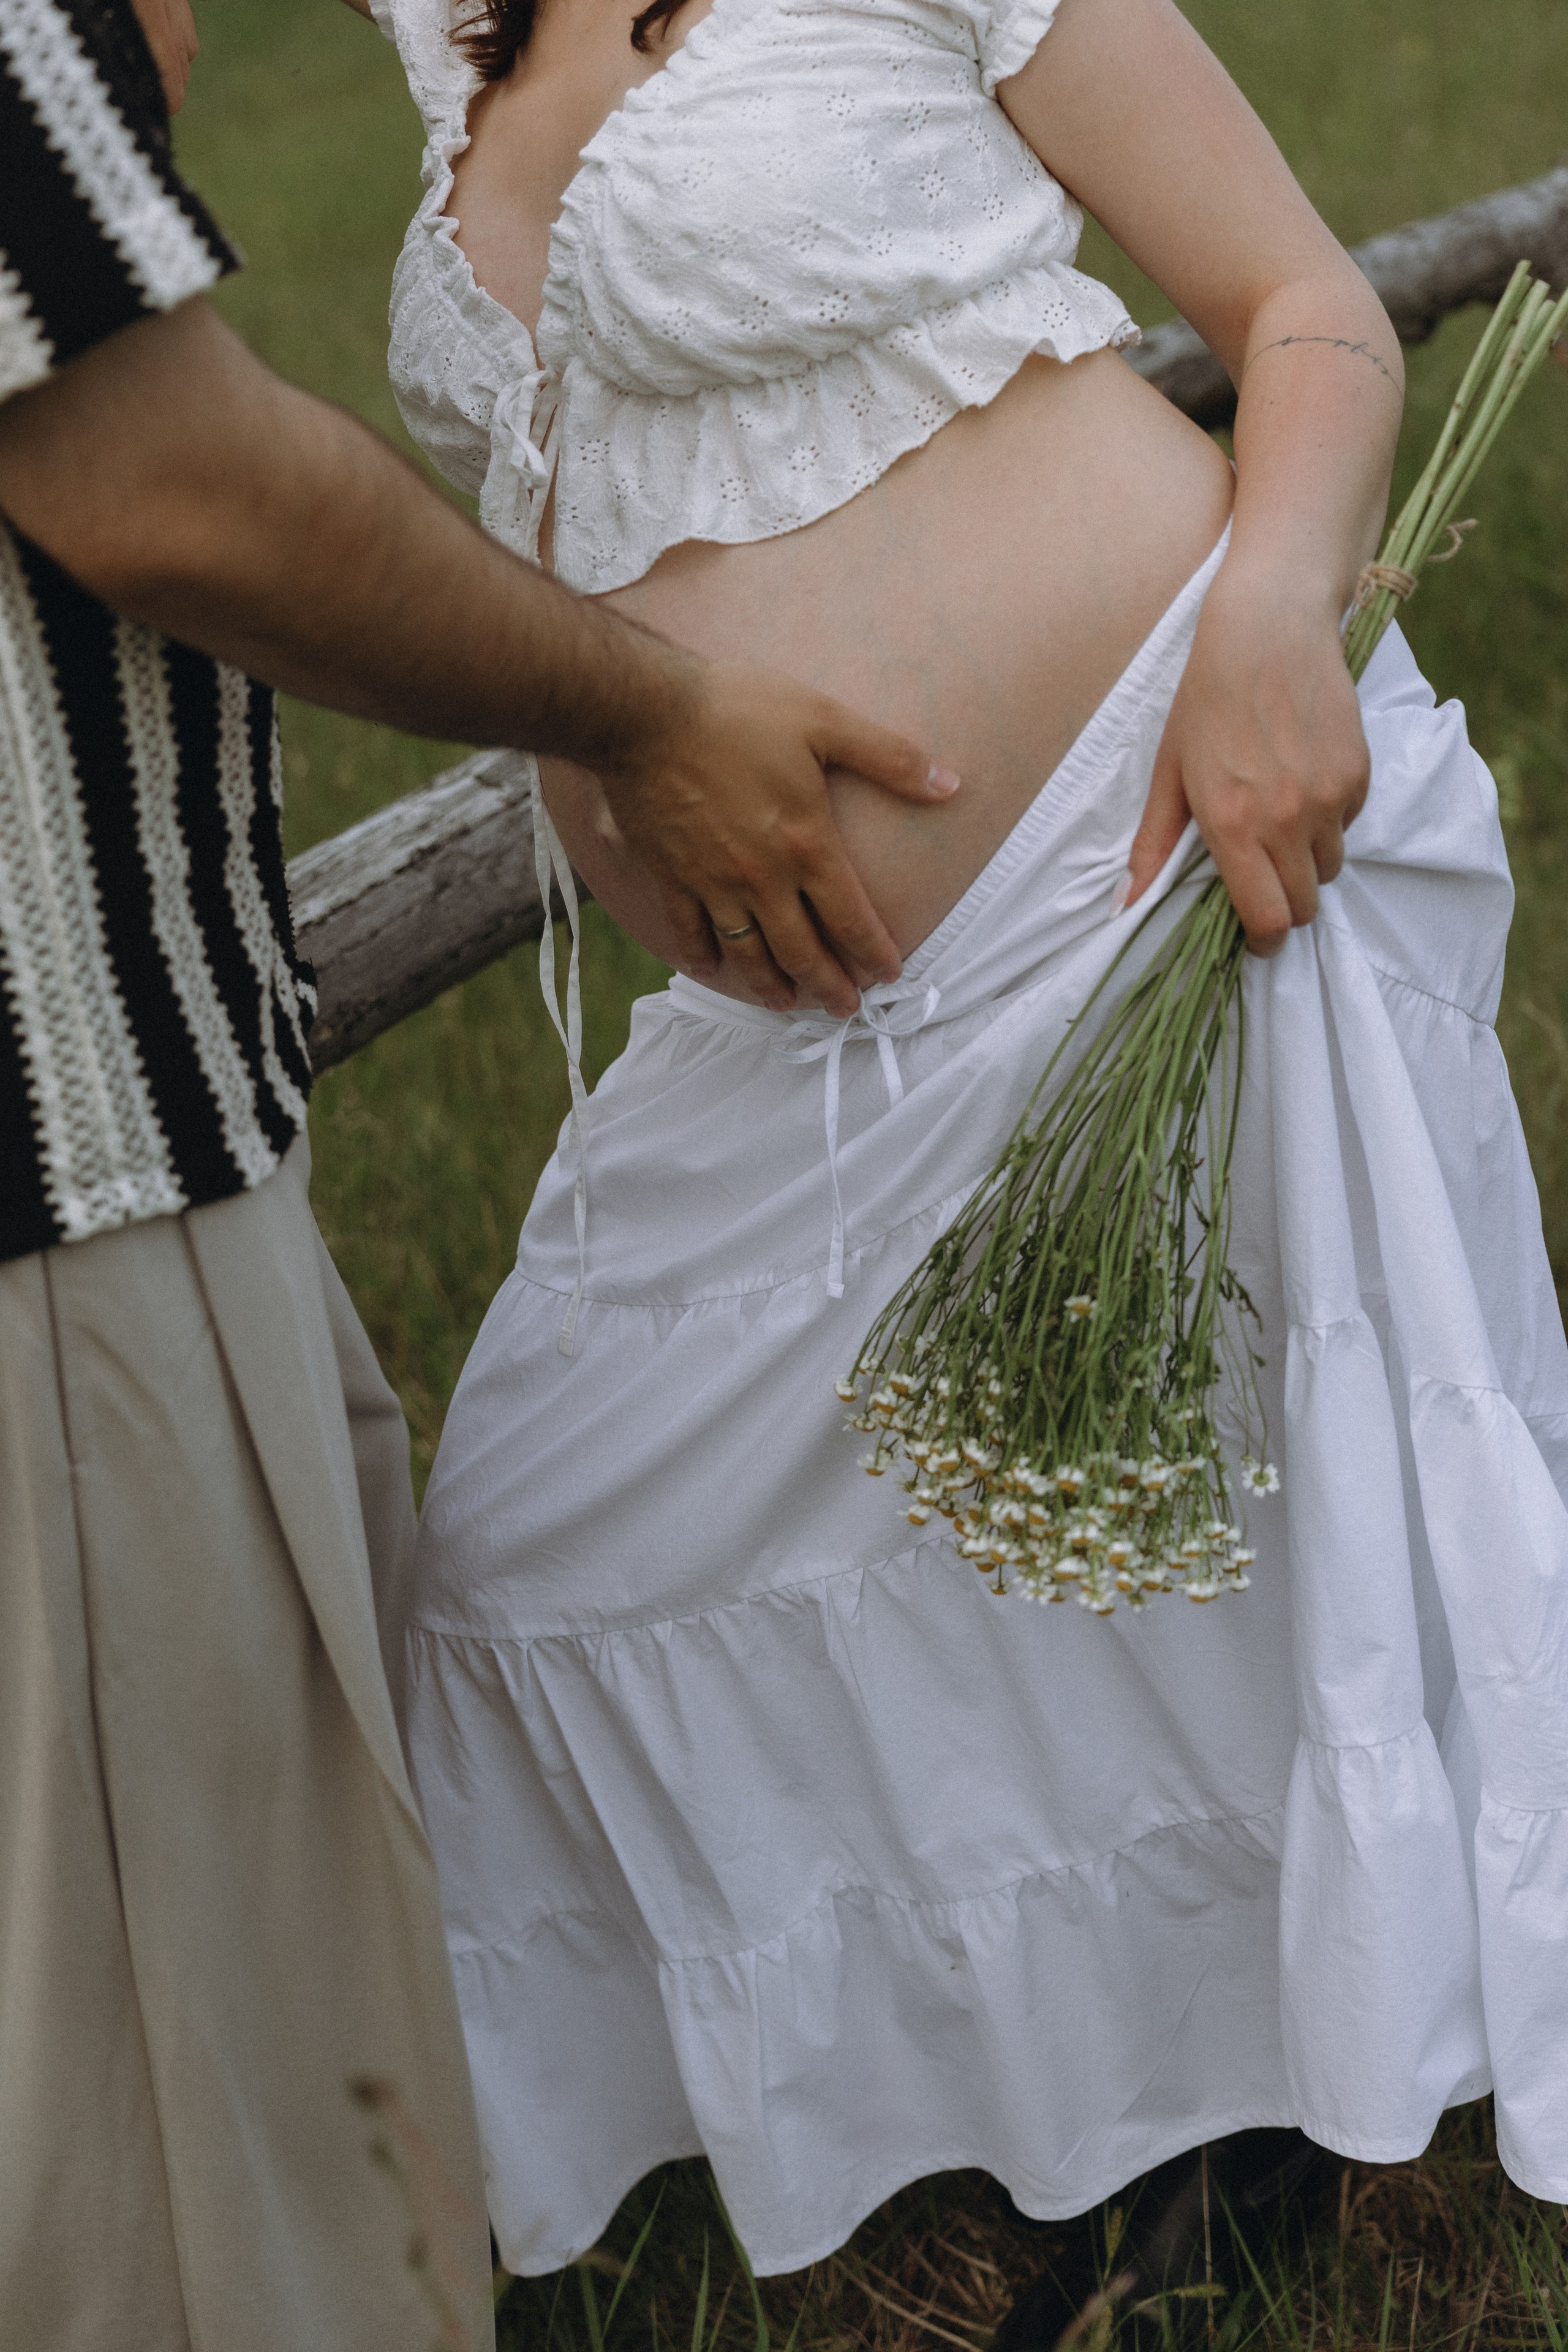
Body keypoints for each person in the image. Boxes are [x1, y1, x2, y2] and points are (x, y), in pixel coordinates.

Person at [364, 0, 1568, 2317]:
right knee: (530, 1566)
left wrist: (1277, 619)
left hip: (1162, 859)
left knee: (1212, 1530)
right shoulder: (436, 27)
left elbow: (1306, 307)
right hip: (795, 1032)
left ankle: (1221, 2120)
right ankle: (1011, 2080)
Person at [0, 2, 954, 2345]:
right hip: (54, 1157)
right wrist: (643, 705)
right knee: (191, 2144)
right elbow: (150, 464)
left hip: (140, 1120)